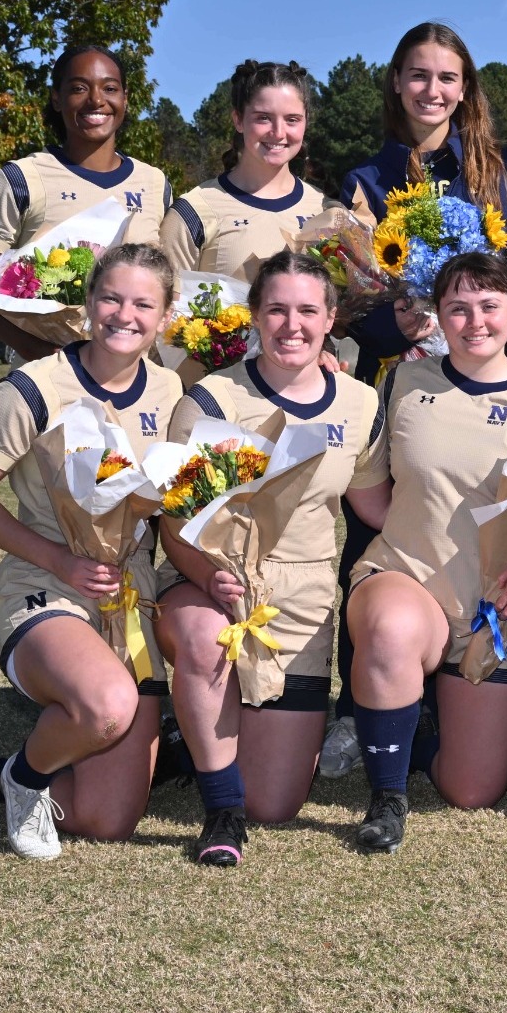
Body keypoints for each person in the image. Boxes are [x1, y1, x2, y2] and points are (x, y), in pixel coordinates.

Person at [0, 244, 183, 858]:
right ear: (87, 305)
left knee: (105, 818)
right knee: (106, 706)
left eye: (144, 303)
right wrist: (60, 560)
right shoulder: (33, 388)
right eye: (111, 297)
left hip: (128, 595)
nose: (124, 314)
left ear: (165, 317)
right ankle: (26, 778)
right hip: (44, 584)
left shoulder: (172, 391)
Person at [320, 22, 507, 781]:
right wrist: (393, 320)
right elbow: (344, 300)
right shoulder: (364, 177)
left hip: (482, 381)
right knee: (375, 540)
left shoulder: (497, 175)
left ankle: (506, 694)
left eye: (447, 77)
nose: (432, 90)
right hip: (398, 383)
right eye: (417, 75)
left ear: (465, 87)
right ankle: (361, 705)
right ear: (396, 84)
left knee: (499, 528)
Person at [345, 252, 507, 853]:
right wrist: (418, 532)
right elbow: (368, 488)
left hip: (498, 607)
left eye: (489, 305)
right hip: (408, 577)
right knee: (392, 629)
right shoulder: (405, 381)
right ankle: (386, 798)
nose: (474, 320)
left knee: (473, 788)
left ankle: (418, 725)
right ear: (438, 315)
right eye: (457, 307)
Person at [153, 251, 385, 866]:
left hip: (303, 597)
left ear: (331, 318)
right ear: (254, 316)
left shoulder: (360, 405)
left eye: (308, 310)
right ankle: (219, 813)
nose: (292, 325)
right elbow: (175, 527)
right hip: (211, 583)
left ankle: (185, 737)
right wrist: (208, 575)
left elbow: (377, 507)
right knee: (205, 639)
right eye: (276, 309)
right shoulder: (212, 398)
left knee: (277, 802)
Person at [0, 46, 171, 361]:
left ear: (125, 98)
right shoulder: (20, 180)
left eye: (109, 88)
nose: (96, 100)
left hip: (137, 377)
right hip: (49, 374)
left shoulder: (155, 183)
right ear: (57, 98)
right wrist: (34, 349)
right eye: (78, 88)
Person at [161, 60, 329, 282]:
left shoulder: (325, 209)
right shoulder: (193, 212)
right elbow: (164, 307)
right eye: (264, 118)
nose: (278, 133)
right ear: (238, 120)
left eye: (292, 120)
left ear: (306, 123)